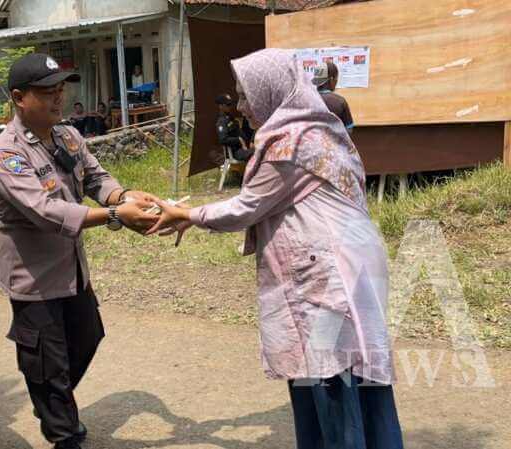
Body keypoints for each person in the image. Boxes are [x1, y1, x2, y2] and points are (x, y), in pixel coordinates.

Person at [148, 49, 404, 449]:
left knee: (329, 380)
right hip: (350, 267)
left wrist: (188, 214)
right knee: (359, 377)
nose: (244, 106)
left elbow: (248, 206)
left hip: (323, 278)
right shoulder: (321, 128)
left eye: (248, 95)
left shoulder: (289, 144)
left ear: (273, 91)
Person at [0, 53, 159, 449]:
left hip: (72, 272)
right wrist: (117, 213)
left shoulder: (68, 136)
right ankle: (62, 429)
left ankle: (50, 402)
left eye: (60, 89)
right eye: (47, 91)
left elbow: (96, 176)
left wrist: (124, 194)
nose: (58, 98)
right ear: (18, 97)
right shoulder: (5, 155)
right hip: (35, 281)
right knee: (49, 364)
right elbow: (46, 212)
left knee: (87, 338)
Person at [313, 61, 355, 132]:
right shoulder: (340, 102)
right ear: (332, 80)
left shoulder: (308, 99)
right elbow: (349, 128)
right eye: (336, 79)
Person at [215, 93, 254, 162]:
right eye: (228, 105)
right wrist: (238, 140)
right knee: (257, 153)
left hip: (245, 146)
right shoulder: (222, 121)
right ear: (220, 106)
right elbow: (223, 139)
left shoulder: (230, 118)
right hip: (237, 151)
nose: (230, 107)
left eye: (231, 104)